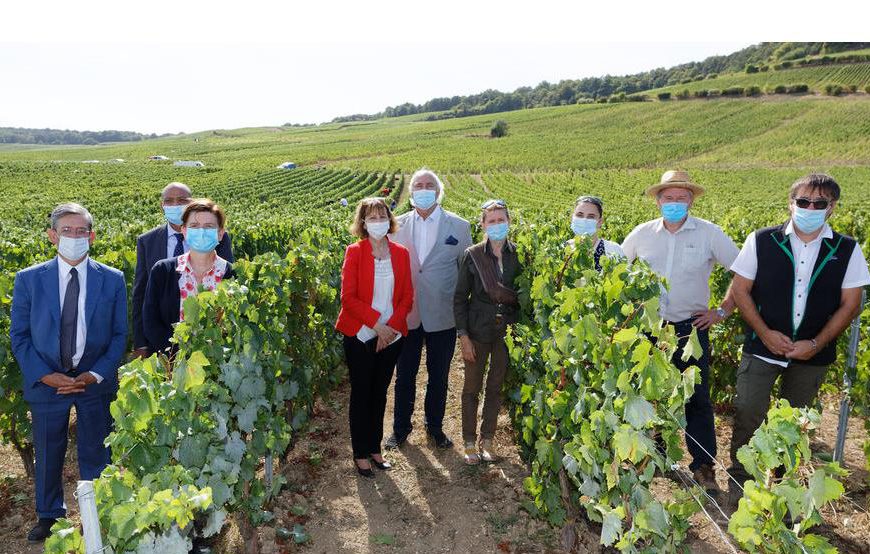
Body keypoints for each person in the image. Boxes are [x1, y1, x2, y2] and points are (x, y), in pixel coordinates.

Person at [726, 173, 870, 507]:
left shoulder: (847, 249)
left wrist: (816, 344)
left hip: (812, 354)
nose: (809, 208)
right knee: (749, 410)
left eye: (818, 203)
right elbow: (740, 290)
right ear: (790, 203)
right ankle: (742, 475)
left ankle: (780, 481)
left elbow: (851, 304)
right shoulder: (762, 240)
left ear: (831, 208)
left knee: (796, 422)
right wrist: (764, 333)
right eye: (802, 201)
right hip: (762, 347)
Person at [10, 203, 127, 542]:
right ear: (52, 236)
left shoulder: (113, 279)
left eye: (81, 231)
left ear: (91, 236)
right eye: (67, 231)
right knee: (48, 451)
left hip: (93, 383)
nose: (74, 237)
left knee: (96, 451)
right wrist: (45, 375)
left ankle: (100, 512)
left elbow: (120, 334)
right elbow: (19, 336)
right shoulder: (29, 279)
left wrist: (96, 374)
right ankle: (49, 514)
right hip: (47, 383)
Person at [621, 170, 739, 495]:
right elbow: (616, 270)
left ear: (691, 199)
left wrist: (722, 311)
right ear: (658, 200)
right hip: (651, 330)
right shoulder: (642, 234)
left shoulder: (709, 234)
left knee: (696, 399)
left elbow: (742, 271)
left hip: (691, 330)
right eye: (668, 197)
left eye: (680, 197)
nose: (674, 203)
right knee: (650, 395)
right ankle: (652, 457)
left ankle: (703, 466)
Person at [386, 168, 473, 449]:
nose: (423, 189)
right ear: (411, 193)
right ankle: (400, 429)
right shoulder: (395, 225)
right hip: (406, 315)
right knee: (404, 375)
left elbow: (465, 271)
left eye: (429, 185)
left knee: (439, 376)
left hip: (442, 314)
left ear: (438, 191)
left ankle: (434, 427)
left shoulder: (459, 227)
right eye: (418, 185)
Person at [335, 198, 414, 477]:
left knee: (380, 392)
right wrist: (377, 326)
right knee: (362, 393)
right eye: (372, 216)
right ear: (363, 223)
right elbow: (348, 298)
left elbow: (407, 297)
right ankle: (360, 453)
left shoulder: (401, 253)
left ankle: (375, 448)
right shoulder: (354, 252)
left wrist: (389, 329)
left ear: (390, 219)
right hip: (360, 334)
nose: (378, 220)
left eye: (382, 215)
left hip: (392, 336)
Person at [454, 200, 522, 465]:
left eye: (501, 220)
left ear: (509, 221)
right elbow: (460, 298)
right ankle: (469, 441)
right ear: (482, 224)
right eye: (491, 221)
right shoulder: (472, 255)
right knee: (471, 388)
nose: (496, 225)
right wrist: (463, 336)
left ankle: (488, 439)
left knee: (495, 386)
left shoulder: (518, 254)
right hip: (477, 330)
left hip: (506, 333)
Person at [132, 182, 233, 358]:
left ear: (220, 233)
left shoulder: (230, 272)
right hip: (170, 358)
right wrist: (177, 355)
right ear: (185, 231)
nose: (201, 232)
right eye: (194, 226)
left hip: (218, 361)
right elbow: (146, 307)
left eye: (209, 227)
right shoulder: (161, 266)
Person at [569, 195, 625, 269]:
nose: (584, 220)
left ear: (600, 221)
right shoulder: (562, 249)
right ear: (573, 218)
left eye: (591, 216)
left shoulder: (613, 250)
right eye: (580, 215)